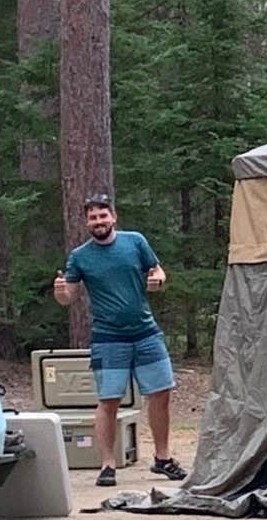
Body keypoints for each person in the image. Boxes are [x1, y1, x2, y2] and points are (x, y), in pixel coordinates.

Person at [53, 194, 189, 487]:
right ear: (86, 222)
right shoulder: (80, 256)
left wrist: (159, 280)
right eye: (93, 217)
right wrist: (60, 291)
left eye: (103, 216)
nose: (99, 222)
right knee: (108, 400)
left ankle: (162, 458)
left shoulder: (135, 242)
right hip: (108, 337)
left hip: (145, 332)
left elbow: (157, 270)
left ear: (113, 217)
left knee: (161, 393)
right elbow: (70, 297)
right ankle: (107, 465)